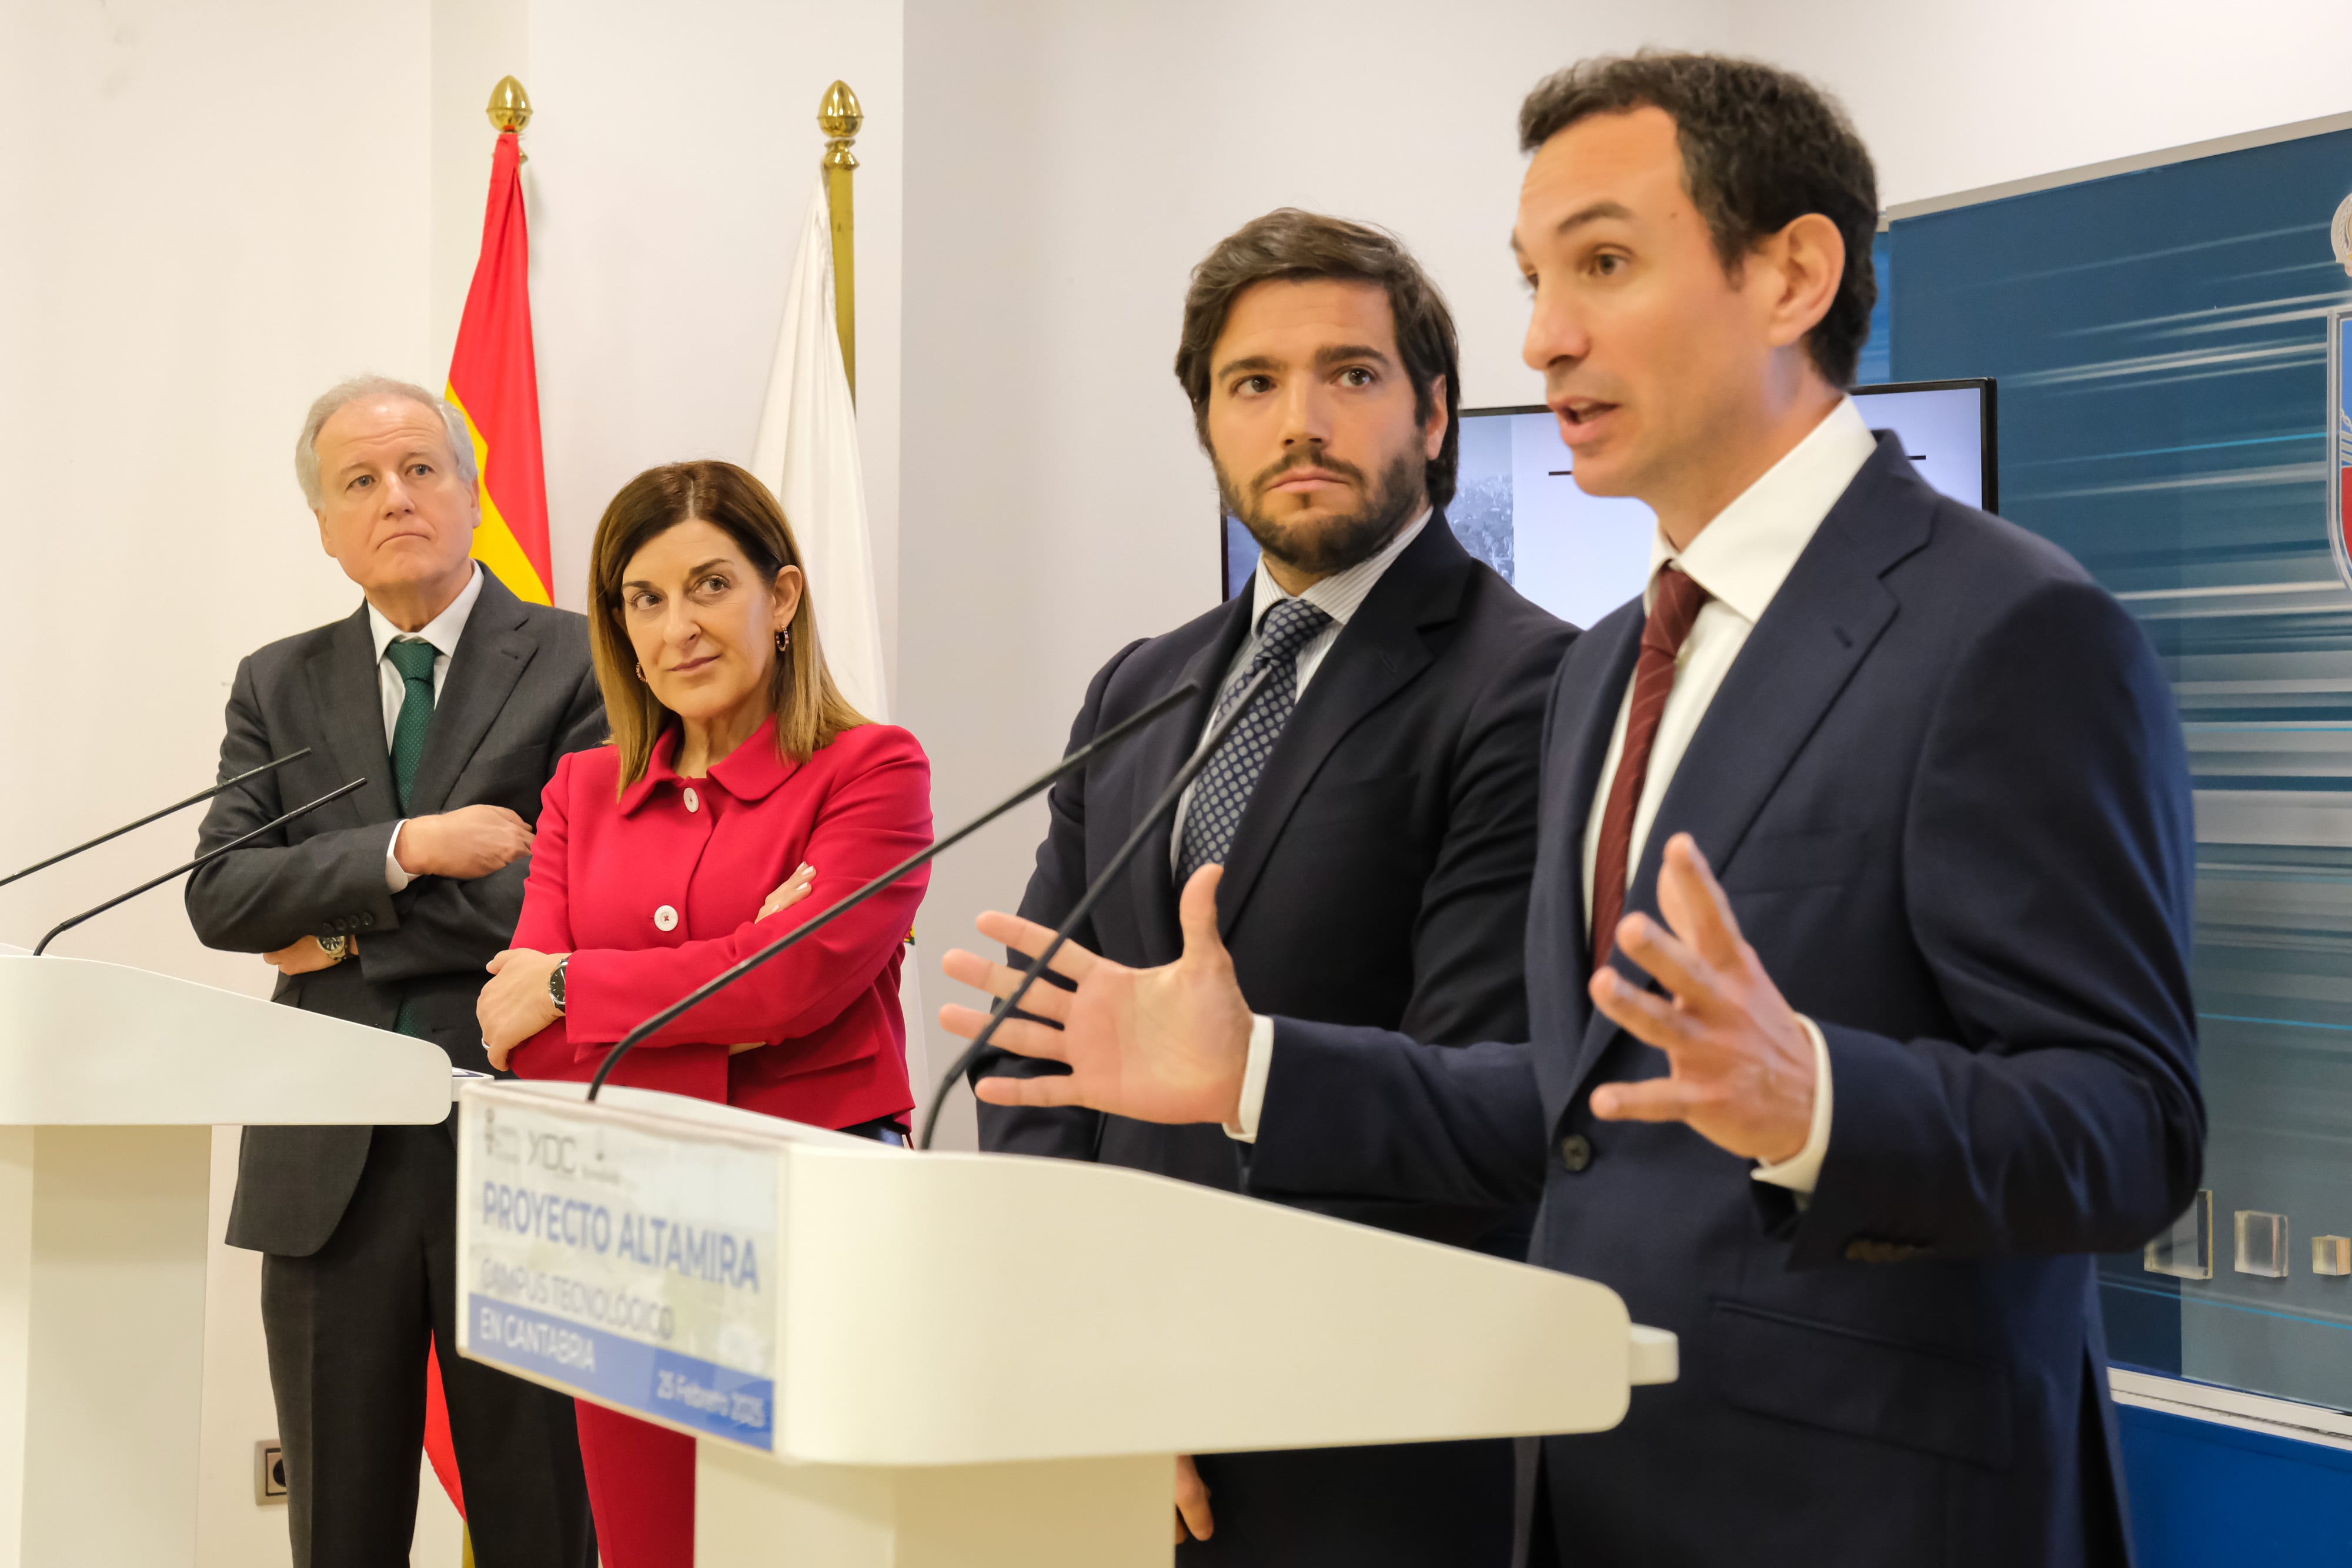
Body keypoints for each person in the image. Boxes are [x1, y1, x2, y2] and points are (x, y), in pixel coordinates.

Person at [943, 52, 2204, 1567]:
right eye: (1535, 278)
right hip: (1586, 1477)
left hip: (1855, 1509)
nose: (1543, 337)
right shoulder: (1616, 662)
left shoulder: (2005, 627)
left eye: (1603, 263)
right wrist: (1252, 1064)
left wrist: (1814, 1096)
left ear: (1793, 272)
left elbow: (2131, 1128)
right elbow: (1565, 1111)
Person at [973, 208, 1573, 1567]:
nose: (1297, 419)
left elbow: (1486, 1101)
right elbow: (1039, 1047)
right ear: (1207, 425)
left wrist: (1204, 1360)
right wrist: (1099, 1344)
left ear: (1430, 413)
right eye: (1252, 384)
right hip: (1115, 1418)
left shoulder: (1530, 682)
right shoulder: (1141, 684)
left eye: (1348, 375)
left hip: (1367, 1425)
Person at [477, 459, 931, 1568]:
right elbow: (513, 1036)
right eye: (644, 598)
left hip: (819, 1205)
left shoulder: (872, 770)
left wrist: (583, 982)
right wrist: (737, 983)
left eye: (710, 586)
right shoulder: (582, 790)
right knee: (649, 1549)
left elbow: (796, 983)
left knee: (817, 1544)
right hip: (626, 1225)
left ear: (781, 600)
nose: (678, 626)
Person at [186, 375, 601, 1567]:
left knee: (540, 1526)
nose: (396, 497)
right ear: (324, 524)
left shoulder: (579, 659)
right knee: (338, 1534)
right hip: (327, 1163)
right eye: (359, 480)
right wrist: (408, 849)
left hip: (515, 1147)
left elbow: (563, 897)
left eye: (421, 467)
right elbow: (221, 893)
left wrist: (340, 925)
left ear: (469, 489)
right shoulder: (278, 679)